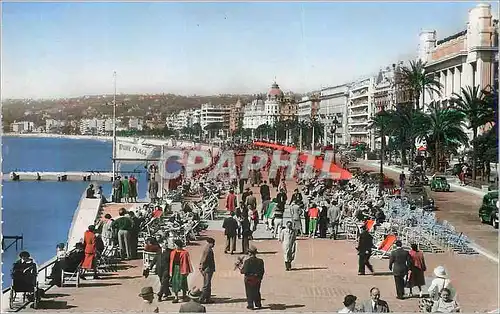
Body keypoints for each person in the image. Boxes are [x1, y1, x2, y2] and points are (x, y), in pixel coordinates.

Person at [240, 246, 265, 310]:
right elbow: (262, 271)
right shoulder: (260, 261)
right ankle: (258, 304)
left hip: (249, 279)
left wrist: (240, 268)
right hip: (257, 279)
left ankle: (250, 305)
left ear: (250, 253)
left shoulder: (247, 261)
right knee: (257, 291)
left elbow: (244, 271)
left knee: (249, 292)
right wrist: (260, 278)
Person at [198, 238, 215, 304]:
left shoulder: (207, 248)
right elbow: (204, 259)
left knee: (208, 284)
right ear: (210, 243)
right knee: (206, 284)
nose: (214, 245)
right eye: (213, 243)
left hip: (208, 268)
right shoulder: (208, 250)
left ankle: (208, 298)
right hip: (208, 269)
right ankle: (201, 299)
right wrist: (202, 267)